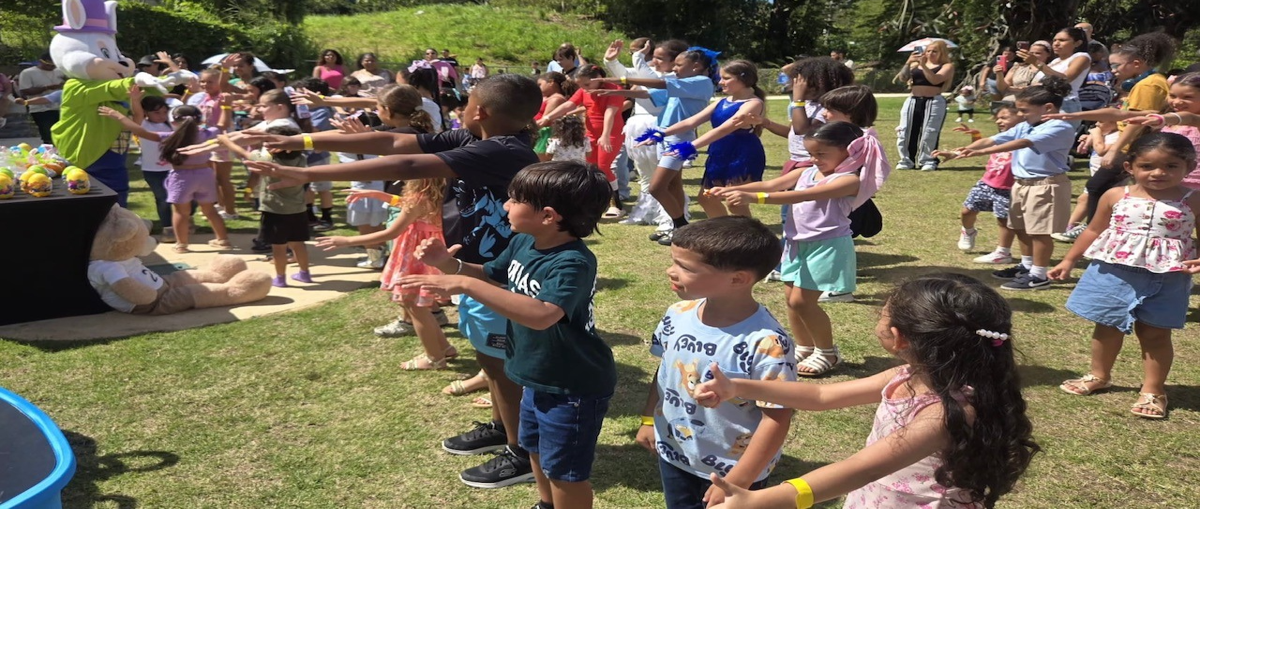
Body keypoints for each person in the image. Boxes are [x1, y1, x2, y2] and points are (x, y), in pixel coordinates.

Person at [243, 75, 543, 488]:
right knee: (488, 356)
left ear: (480, 111)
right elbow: (393, 142)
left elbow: (408, 165)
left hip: (495, 274)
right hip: (472, 268)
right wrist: (300, 142)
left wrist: (306, 174)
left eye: (466, 103)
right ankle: (500, 426)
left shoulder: (501, 149)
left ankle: (521, 452)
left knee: (500, 364)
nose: (461, 109)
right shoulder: (475, 137)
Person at [692, 273, 1040, 509]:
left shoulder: (942, 414)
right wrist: (738, 386)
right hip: (878, 496)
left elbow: (859, 469)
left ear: (899, 338)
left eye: (882, 314)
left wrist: (761, 501)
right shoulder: (907, 375)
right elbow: (822, 397)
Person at [402, 161, 615, 509]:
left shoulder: (572, 263)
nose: (505, 206)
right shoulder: (524, 241)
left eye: (515, 200)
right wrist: (449, 264)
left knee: (564, 472)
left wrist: (464, 284)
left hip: (571, 385)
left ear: (548, 216)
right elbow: (492, 274)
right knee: (535, 450)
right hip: (536, 375)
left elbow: (543, 315)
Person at [637, 216, 795, 508]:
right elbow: (666, 370)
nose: (671, 271)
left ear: (738, 279)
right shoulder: (677, 314)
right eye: (673, 262)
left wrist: (738, 481)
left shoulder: (767, 343)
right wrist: (649, 419)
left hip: (733, 469)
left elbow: (777, 416)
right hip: (675, 452)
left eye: (685, 267)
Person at [710, 122, 885, 377]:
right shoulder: (806, 172)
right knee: (791, 301)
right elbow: (771, 185)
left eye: (821, 154)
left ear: (848, 151)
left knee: (802, 302)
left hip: (827, 245)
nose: (814, 159)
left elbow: (804, 196)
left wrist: (754, 199)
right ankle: (804, 347)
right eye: (811, 153)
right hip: (795, 243)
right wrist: (731, 189)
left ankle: (827, 352)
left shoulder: (849, 181)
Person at [1048, 133, 1199, 420]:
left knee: (1155, 333)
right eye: (1147, 166)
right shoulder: (1116, 195)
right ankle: (1099, 375)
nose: (1158, 173)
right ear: (1130, 166)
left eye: (1170, 166)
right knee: (1106, 326)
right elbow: (1094, 230)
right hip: (1114, 272)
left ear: (1189, 167)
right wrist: (1068, 260)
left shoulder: (1193, 199)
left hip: (1167, 276)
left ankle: (1153, 389)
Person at [938, 79, 1076, 290]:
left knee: (1039, 232)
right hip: (1021, 184)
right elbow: (994, 139)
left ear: (1048, 108)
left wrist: (982, 152)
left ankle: (1039, 276)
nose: (1020, 114)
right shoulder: (1026, 125)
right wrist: (960, 152)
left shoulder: (1060, 127)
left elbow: (1024, 143)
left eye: (1025, 110)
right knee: (1020, 228)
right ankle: (1027, 266)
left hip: (1044, 185)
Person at [1045, 32, 1177, 240]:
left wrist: (1115, 150)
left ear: (1136, 63)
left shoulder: (1148, 85)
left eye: (1116, 65)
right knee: (1108, 189)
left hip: (1134, 147)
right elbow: (1122, 114)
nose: (1113, 70)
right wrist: (1077, 116)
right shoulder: (1146, 83)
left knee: (1097, 187)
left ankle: (1094, 231)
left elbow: (1136, 122)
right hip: (1133, 146)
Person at [319, 176, 454, 369]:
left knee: (413, 304)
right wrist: (377, 195)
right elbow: (406, 205)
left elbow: (391, 232)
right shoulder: (440, 196)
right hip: (430, 252)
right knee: (418, 305)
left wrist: (347, 241)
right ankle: (445, 348)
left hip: (415, 255)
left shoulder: (418, 198)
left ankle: (434, 358)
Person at [593, 47, 718, 243]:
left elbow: (661, 83)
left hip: (678, 140)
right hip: (665, 137)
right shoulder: (682, 84)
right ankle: (675, 226)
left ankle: (680, 227)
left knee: (657, 187)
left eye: (679, 65)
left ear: (696, 66)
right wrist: (614, 90)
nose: (674, 69)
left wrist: (622, 80)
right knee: (674, 185)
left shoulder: (701, 82)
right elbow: (649, 94)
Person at [99, 104, 232, 252]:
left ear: (173, 121)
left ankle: (182, 245)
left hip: (182, 177)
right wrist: (226, 106)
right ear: (200, 120)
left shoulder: (170, 137)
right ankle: (223, 240)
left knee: (181, 212)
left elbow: (141, 131)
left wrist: (118, 116)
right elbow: (223, 125)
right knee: (210, 210)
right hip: (204, 174)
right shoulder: (207, 133)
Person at [651, 59, 767, 221]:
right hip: (719, 152)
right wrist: (661, 133)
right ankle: (725, 231)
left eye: (726, 78)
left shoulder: (753, 103)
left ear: (743, 78)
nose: (720, 82)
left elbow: (724, 129)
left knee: (735, 202)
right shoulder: (721, 102)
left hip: (742, 154)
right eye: (720, 78)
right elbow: (691, 121)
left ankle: (747, 234)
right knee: (706, 198)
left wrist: (690, 146)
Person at [602, 38, 686, 233]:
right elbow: (625, 74)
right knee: (645, 175)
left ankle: (670, 218)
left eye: (660, 58)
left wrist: (638, 57)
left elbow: (653, 83)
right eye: (653, 56)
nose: (654, 61)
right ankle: (646, 212)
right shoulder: (648, 71)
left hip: (661, 126)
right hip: (639, 125)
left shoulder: (675, 78)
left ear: (675, 60)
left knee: (664, 178)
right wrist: (611, 61)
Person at [538, 65, 627, 217]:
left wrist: (605, 134)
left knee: (604, 167)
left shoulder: (614, 89)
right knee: (589, 167)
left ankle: (616, 204)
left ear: (598, 78)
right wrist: (547, 117)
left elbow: (610, 113)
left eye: (586, 84)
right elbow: (569, 104)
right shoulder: (584, 90)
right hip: (591, 134)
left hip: (611, 133)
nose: (584, 88)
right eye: (580, 85)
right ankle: (594, 200)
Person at [937, 105, 1023, 257]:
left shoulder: (1027, 140)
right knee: (967, 211)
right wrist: (954, 152)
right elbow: (980, 145)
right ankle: (968, 231)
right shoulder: (1000, 137)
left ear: (1021, 117)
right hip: (987, 183)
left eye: (1004, 118)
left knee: (1004, 220)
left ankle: (1003, 252)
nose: (999, 121)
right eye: (997, 118)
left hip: (1009, 188)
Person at [895, 40, 954, 171]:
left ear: (942, 53)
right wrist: (908, 63)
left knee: (929, 132)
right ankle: (906, 160)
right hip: (913, 100)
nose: (930, 54)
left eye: (934, 51)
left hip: (934, 101)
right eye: (928, 51)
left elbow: (935, 80)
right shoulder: (915, 65)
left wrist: (924, 66)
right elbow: (903, 78)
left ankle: (928, 160)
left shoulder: (947, 66)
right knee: (905, 131)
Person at [128, 87, 175, 238]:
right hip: (152, 171)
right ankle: (168, 228)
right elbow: (137, 114)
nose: (162, 116)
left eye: (164, 112)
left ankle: (187, 218)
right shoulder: (143, 125)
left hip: (175, 169)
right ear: (146, 113)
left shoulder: (171, 125)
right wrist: (135, 100)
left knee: (187, 199)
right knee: (163, 199)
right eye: (156, 112)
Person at [1019, 27, 1091, 122]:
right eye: (1054, 40)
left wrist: (1036, 62)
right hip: (1044, 103)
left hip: (1065, 104)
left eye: (1062, 40)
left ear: (1077, 43)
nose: (1056, 44)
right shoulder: (1055, 61)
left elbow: (1064, 79)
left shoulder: (1081, 57)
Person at [17, 53, 65, 144]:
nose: (51, 67)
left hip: (60, 107)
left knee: (62, 135)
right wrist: (47, 88)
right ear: (40, 62)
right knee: (48, 135)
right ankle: (49, 150)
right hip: (40, 109)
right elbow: (25, 91)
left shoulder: (60, 72)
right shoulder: (28, 72)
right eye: (48, 65)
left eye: (53, 65)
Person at [532, 72, 573, 160]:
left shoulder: (556, 99)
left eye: (540, 84)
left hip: (546, 134)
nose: (539, 87)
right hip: (540, 132)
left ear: (551, 82)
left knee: (540, 162)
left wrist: (528, 128)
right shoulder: (548, 97)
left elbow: (546, 121)